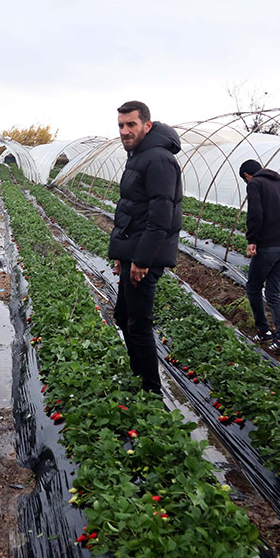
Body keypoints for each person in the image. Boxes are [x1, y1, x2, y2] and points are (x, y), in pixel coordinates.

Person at [108, 101, 183, 392]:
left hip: (145, 255)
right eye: (121, 125)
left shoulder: (159, 160)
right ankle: (138, 373)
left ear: (147, 126)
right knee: (123, 317)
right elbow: (130, 209)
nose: (124, 131)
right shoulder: (139, 155)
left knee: (138, 325)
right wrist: (121, 255)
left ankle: (151, 390)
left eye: (131, 124)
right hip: (133, 250)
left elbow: (160, 217)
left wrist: (141, 261)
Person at [238, 159, 280, 354]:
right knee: (273, 293)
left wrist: (252, 240)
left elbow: (255, 213)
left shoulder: (255, 183)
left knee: (253, 288)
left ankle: (263, 332)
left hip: (267, 247)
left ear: (247, 175)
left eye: (245, 179)